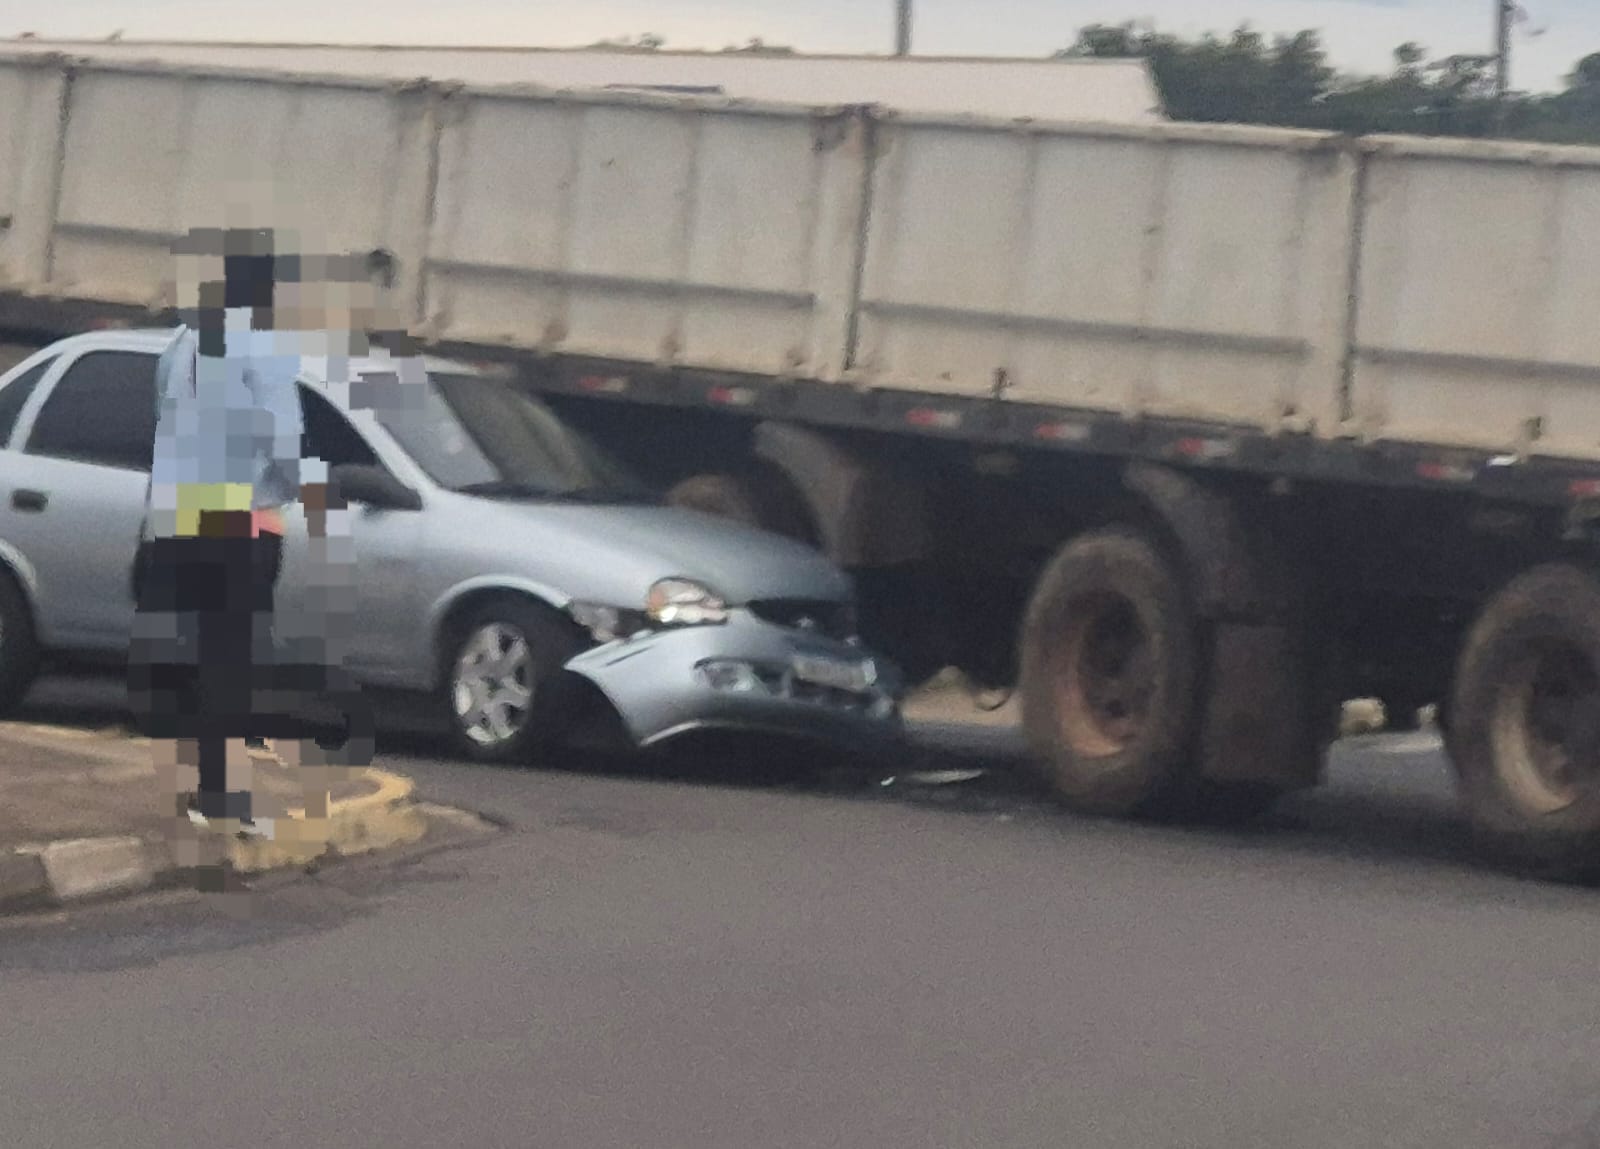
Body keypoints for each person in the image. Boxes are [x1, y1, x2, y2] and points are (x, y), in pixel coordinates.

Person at [129, 228, 327, 835]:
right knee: (231, 659)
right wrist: (297, 489)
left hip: (181, 514)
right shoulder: (263, 346)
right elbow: (283, 441)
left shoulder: (182, 341)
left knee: (193, 653)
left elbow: (163, 426)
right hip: (241, 520)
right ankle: (219, 795)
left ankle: (197, 785)